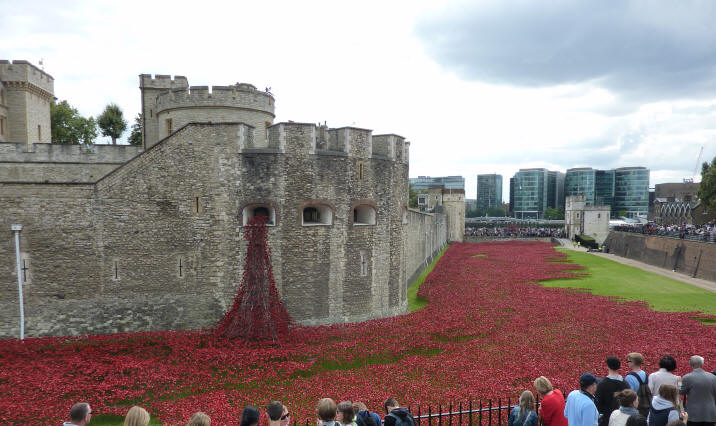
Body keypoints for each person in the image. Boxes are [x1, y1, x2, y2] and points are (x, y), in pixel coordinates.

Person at [680, 355, 716, 426]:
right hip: (710, 413)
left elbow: (681, 392)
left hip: (693, 414)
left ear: (690, 365)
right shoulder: (713, 377)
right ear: (702, 364)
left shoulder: (687, 377)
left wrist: (678, 383)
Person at [596, 357, 629, 426]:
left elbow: (598, 404)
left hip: (606, 419)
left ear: (608, 366)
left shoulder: (602, 384)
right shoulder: (625, 384)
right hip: (622, 419)